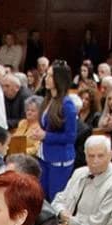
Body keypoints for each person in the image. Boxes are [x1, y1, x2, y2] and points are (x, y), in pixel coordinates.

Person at [49, 135, 112, 225]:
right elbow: (58, 200)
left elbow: (97, 224)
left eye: (100, 156)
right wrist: (62, 212)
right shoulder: (79, 173)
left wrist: (68, 220)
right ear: (85, 155)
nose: (95, 161)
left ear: (110, 155)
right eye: (91, 156)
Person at [35, 61, 78, 199]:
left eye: (50, 76)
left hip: (59, 159)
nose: (46, 78)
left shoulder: (67, 104)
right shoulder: (48, 100)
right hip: (44, 156)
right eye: (47, 75)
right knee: (42, 195)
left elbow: (71, 136)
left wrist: (46, 136)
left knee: (55, 197)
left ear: (59, 79)